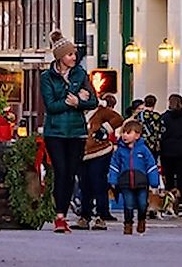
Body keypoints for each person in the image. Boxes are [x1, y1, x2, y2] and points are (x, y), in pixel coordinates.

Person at [39, 40, 93, 234]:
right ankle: (59, 216)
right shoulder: (47, 77)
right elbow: (51, 106)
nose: (74, 57)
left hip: (77, 131)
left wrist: (79, 102)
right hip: (55, 132)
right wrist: (72, 99)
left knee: (70, 173)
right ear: (60, 57)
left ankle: (63, 213)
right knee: (61, 171)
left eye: (74, 54)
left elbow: (93, 101)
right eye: (70, 54)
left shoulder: (81, 74)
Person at [81, 84, 123, 230]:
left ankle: (101, 214)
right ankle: (85, 215)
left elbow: (118, 119)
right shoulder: (75, 112)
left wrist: (105, 130)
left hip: (100, 151)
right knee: (84, 184)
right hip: (82, 154)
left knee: (98, 183)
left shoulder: (100, 111)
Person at [108, 117, 159, 235]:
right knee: (128, 204)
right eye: (123, 133)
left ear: (137, 135)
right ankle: (128, 224)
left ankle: (141, 220)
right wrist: (113, 180)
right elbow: (114, 166)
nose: (125, 135)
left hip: (141, 182)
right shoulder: (120, 151)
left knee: (142, 204)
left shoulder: (143, 150)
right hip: (125, 182)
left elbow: (151, 165)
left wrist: (154, 182)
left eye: (128, 133)